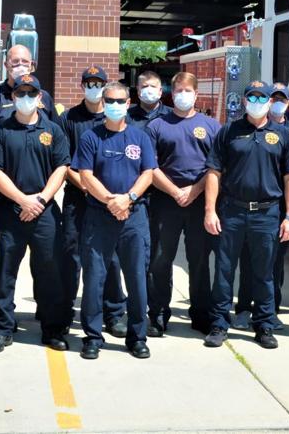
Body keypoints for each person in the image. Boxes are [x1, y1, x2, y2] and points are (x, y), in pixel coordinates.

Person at [203, 80, 289, 350]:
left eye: (262, 98)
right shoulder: (228, 132)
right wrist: (210, 210)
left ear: (271, 103)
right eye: (252, 98)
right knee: (224, 271)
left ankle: (265, 324)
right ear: (244, 101)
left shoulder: (282, 135)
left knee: (265, 273)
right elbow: (213, 172)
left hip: (267, 214)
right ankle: (219, 324)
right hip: (232, 212)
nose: (257, 103)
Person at [0, 74, 71, 353]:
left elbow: (62, 167)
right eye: (20, 93)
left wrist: (41, 199)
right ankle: (2, 329)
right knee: (4, 271)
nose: (25, 99)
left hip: (44, 210)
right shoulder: (0, 130)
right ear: (12, 97)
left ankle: (52, 329)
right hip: (11, 209)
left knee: (49, 271)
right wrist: (22, 200)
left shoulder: (53, 130)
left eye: (31, 93)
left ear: (40, 97)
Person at [72, 82, 157, 360]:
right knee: (95, 278)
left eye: (120, 101)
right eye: (110, 100)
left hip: (133, 217)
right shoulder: (90, 137)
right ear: (104, 102)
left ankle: (137, 337)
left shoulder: (140, 137)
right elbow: (85, 175)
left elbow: (148, 173)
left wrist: (127, 199)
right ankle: (93, 337)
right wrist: (111, 200)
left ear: (129, 102)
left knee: (136, 278)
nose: (115, 105)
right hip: (100, 216)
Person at [145, 72, 220, 336]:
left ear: (196, 94)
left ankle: (201, 314)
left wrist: (194, 190)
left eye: (188, 90)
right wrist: (176, 191)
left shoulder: (211, 126)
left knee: (198, 260)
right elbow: (150, 167)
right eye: (178, 90)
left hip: (198, 202)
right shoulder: (156, 126)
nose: (183, 95)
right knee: (160, 259)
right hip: (166, 201)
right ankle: (158, 315)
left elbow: (215, 168)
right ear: (171, 93)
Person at [57, 66, 129, 339]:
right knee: (72, 256)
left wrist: (109, 196)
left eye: (98, 82)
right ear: (82, 86)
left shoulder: (117, 118)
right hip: (79, 197)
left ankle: (113, 313)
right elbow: (64, 162)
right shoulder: (70, 119)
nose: (94, 87)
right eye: (89, 82)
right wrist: (87, 187)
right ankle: (65, 314)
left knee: (110, 258)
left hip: (109, 202)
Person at [235, 82, 289, 330]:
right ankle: (245, 308)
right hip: (257, 207)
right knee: (249, 261)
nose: (277, 103)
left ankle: (270, 310)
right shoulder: (245, 129)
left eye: (281, 99)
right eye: (274, 98)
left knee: (275, 263)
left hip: (281, 208)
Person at [0, 44, 56, 142]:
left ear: (31, 65)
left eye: (25, 61)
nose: (20, 65)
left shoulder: (44, 97)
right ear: (6, 65)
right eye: (15, 61)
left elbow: (57, 134)